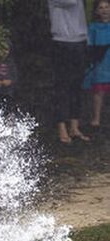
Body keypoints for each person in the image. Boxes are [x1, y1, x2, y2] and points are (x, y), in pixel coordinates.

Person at [49, 0, 91, 144]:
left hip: (79, 41)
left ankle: (74, 127)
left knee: (76, 87)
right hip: (61, 42)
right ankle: (62, 128)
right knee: (61, 86)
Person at [86, 0, 110, 129]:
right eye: (101, 8)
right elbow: (89, 45)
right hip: (100, 64)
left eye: (107, 7)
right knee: (98, 92)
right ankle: (96, 118)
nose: (105, 10)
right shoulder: (93, 27)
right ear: (97, 11)